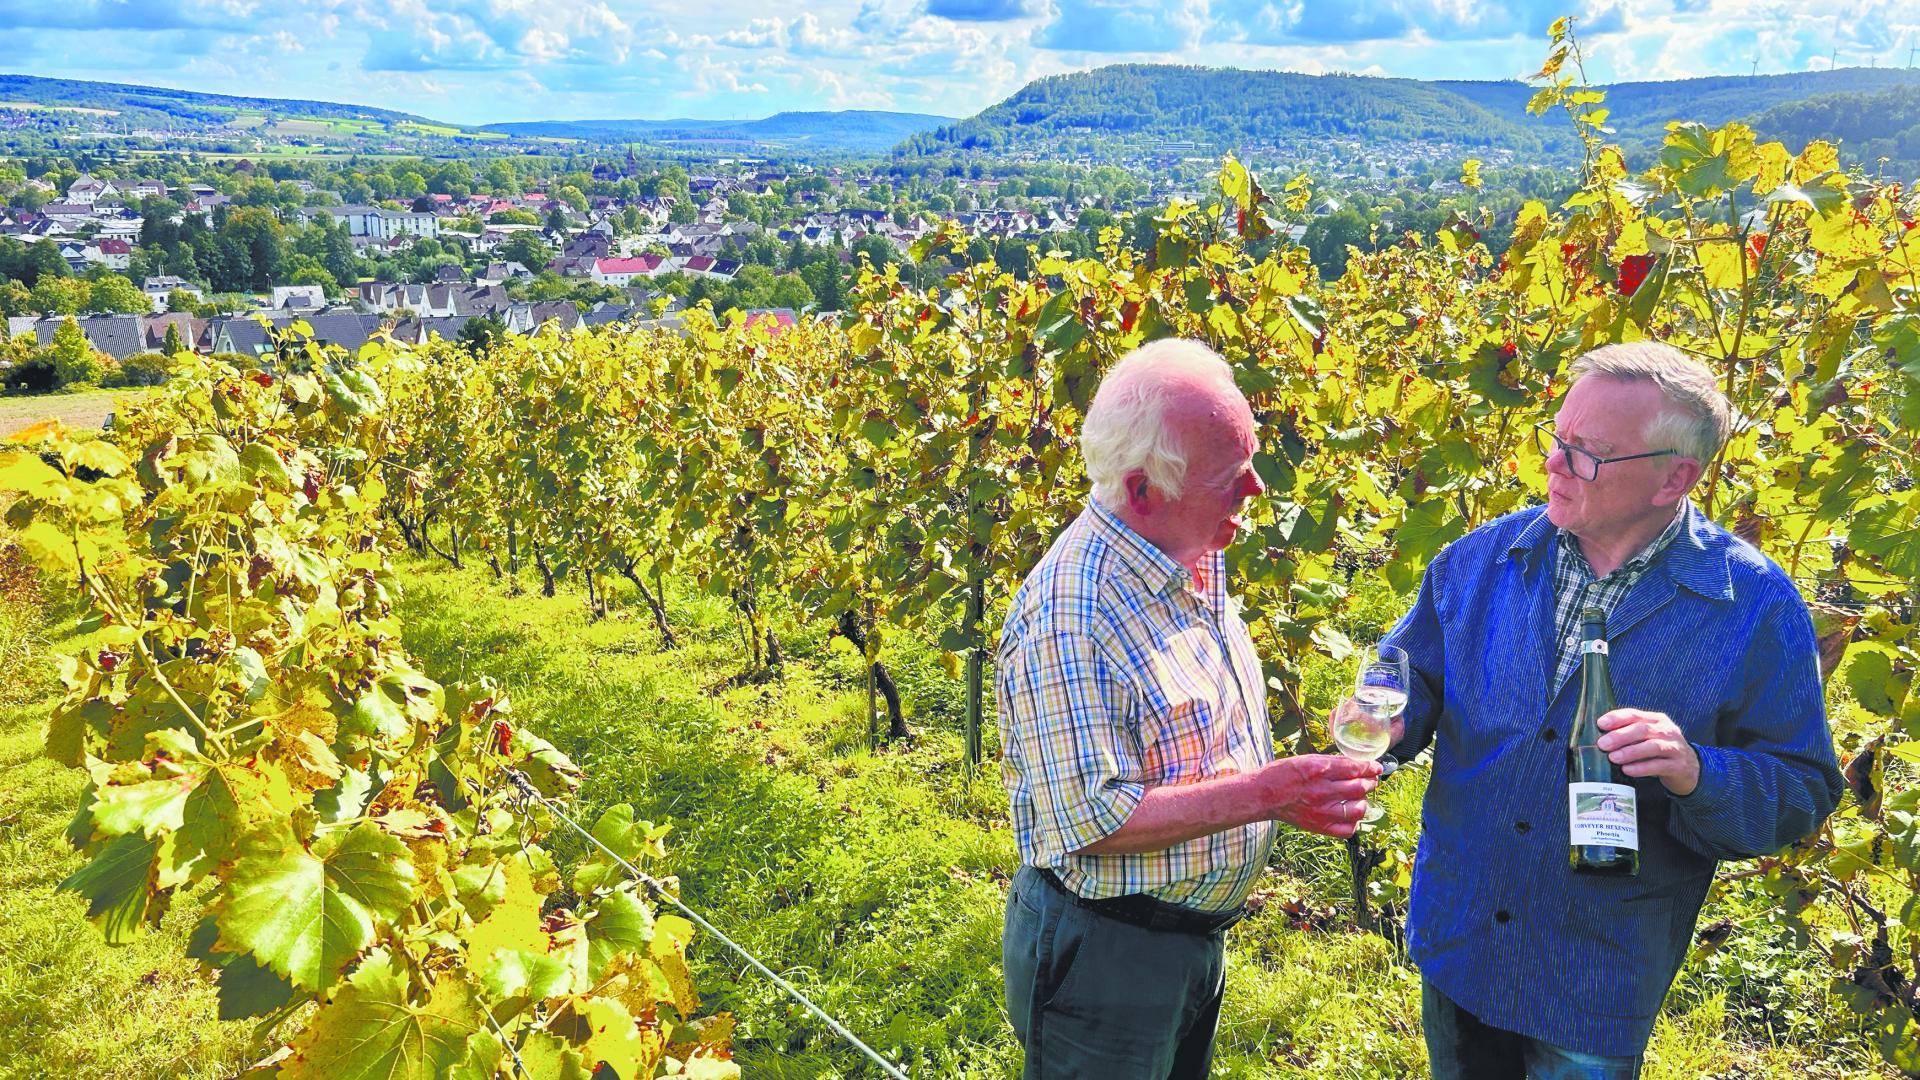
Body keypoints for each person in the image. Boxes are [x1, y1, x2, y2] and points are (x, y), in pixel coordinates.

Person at [1360, 342, 1843, 1078]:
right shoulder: (1480, 560)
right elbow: (1407, 676)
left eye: (1587, 453)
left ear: (1673, 477)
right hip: (1462, 939)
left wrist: (1696, 773)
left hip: (1594, 974)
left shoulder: (1752, 607)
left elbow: (1803, 787)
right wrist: (1386, 719)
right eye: (1556, 439)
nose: (1555, 463)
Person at [997, 338, 1381, 1079]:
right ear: (1142, 490)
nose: (1257, 491)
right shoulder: (1072, 615)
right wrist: (1269, 794)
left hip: (1185, 944)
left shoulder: (1188, 543)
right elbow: (1091, 819)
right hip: (1108, 961)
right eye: (1230, 477)